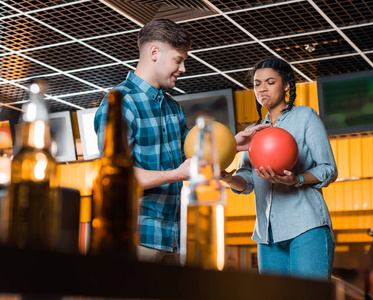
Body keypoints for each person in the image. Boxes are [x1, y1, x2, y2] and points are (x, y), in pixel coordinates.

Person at [94, 19, 267, 264]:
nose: (183, 68)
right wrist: (175, 174)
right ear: (154, 52)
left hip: (175, 238)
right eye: (178, 59)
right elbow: (117, 177)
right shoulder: (119, 103)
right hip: (139, 236)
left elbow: (195, 152)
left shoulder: (173, 108)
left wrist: (232, 142)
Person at [221, 57, 338, 280]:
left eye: (270, 82)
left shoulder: (305, 117)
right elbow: (247, 182)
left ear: (286, 85)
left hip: (307, 227)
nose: (262, 88)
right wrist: (227, 178)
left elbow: (328, 169)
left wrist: (297, 179)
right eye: (257, 83)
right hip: (268, 235)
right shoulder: (253, 131)